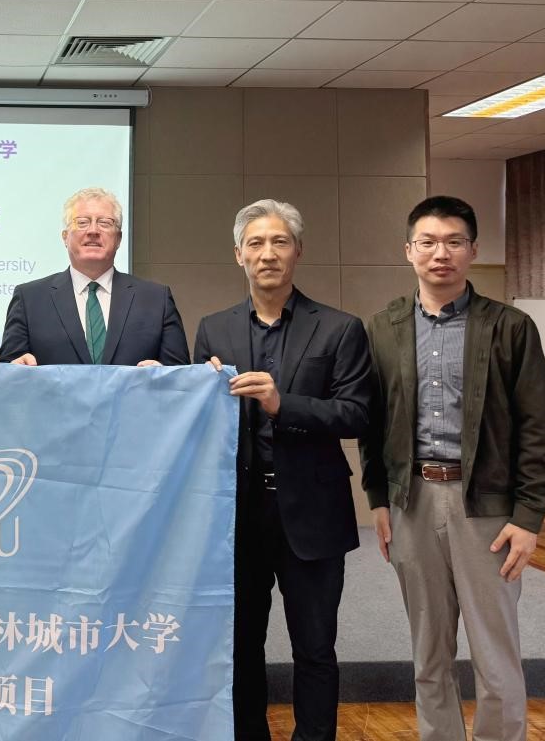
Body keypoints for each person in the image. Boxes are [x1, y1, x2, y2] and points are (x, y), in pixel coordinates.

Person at [360, 196, 545, 741]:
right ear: (409, 251)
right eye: (427, 242)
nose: (440, 253)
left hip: (487, 508)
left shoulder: (511, 327)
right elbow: (373, 422)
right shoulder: (384, 328)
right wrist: (379, 499)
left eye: (453, 242)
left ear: (472, 250)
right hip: (412, 501)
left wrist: (529, 517)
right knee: (428, 654)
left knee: (496, 656)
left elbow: (536, 427)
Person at [194, 200, 374, 741]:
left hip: (313, 513)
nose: (267, 254)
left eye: (279, 242)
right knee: (241, 645)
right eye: (256, 243)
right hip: (238, 515)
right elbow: (198, 424)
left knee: (315, 648)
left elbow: (357, 414)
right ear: (238, 255)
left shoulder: (340, 328)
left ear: (298, 251)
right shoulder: (213, 329)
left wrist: (282, 404)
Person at [0, 187, 188, 366]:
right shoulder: (29, 299)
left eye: (104, 223)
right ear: (65, 237)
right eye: (82, 222)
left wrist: (162, 374)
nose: (93, 231)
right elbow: (7, 372)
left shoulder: (156, 299)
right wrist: (16, 367)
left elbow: (183, 376)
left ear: (119, 239)